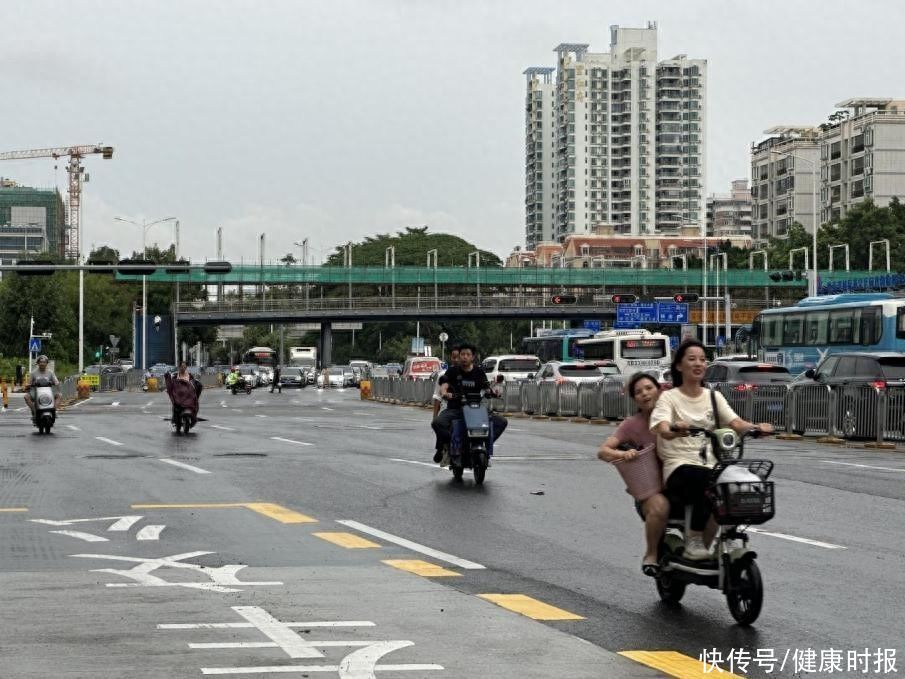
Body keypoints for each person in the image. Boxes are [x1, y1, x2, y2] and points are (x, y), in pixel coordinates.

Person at [650, 340, 774, 560]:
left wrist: (756, 428)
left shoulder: (714, 397)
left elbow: (736, 423)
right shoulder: (669, 398)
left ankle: (726, 538)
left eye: (702, 359)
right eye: (691, 359)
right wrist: (674, 428)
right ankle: (694, 540)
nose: (698, 364)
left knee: (746, 482)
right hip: (679, 466)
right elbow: (662, 427)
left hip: (712, 464)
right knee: (708, 479)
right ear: (679, 366)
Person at [597, 372, 669, 576]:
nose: (645, 394)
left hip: (680, 483)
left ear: (659, 389)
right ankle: (652, 553)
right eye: (638, 392)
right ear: (634, 399)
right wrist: (624, 453)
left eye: (649, 388)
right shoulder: (631, 425)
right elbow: (603, 451)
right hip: (651, 491)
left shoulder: (676, 415)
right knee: (660, 506)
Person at [432, 343, 507, 462]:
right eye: (462, 354)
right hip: (455, 409)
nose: (464, 357)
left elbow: (487, 387)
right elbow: (444, 386)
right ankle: (452, 443)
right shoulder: (452, 371)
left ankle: (485, 443)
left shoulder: (479, 372)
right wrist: (445, 393)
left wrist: (494, 392)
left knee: (502, 422)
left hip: (476, 410)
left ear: (473, 357)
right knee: (436, 423)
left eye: (468, 354)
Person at [431, 345, 460, 462]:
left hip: (467, 409)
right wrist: (434, 416)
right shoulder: (444, 375)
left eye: (460, 356)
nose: (457, 360)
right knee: (440, 423)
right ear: (451, 358)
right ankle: (441, 449)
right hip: (448, 408)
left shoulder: (471, 372)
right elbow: (438, 397)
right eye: (454, 357)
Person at [25, 355, 61, 420]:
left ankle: (54, 411)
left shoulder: (50, 372)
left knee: (59, 395)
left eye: (44, 362)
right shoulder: (33, 373)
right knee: (26, 397)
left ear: (47, 363)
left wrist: (56, 383)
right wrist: (29, 385)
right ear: (38, 363)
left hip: (49, 392)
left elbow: (56, 381)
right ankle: (34, 411)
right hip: (35, 392)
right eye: (41, 362)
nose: (42, 364)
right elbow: (28, 383)